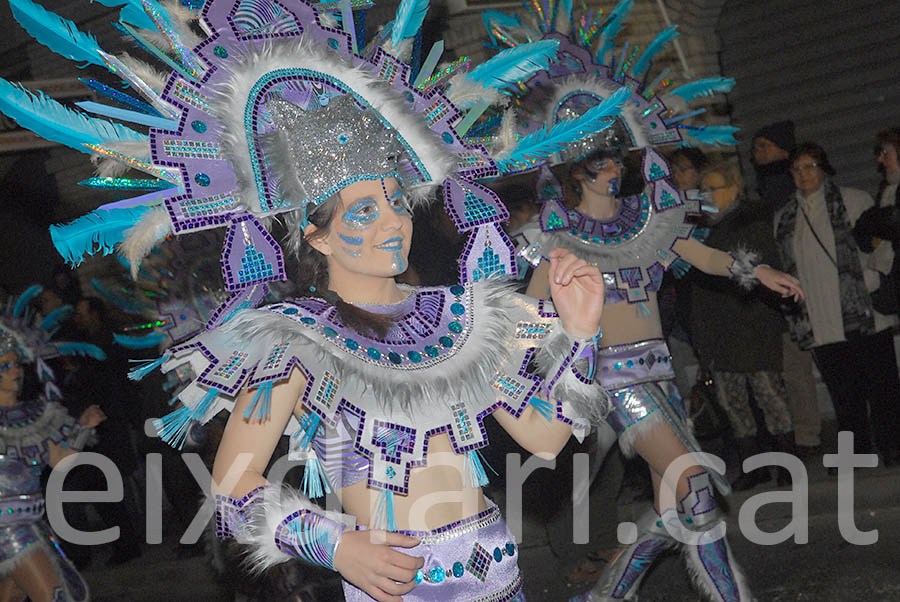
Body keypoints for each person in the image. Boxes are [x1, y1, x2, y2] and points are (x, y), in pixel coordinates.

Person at [3, 1, 631, 600]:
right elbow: (231, 487)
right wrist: (337, 547)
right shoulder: (293, 338)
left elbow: (546, 437)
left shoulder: (460, 315)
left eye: (395, 199)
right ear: (316, 234)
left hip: (501, 580)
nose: (394, 222)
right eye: (364, 210)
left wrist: (579, 334)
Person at [775, 142, 900, 466]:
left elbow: (880, 246)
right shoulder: (785, 216)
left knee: (881, 384)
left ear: (824, 168)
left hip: (863, 311)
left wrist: (873, 277)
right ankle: (856, 451)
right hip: (820, 316)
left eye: (810, 166)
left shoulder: (854, 200)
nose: (804, 175)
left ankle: (892, 444)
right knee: (844, 391)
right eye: (797, 169)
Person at [691, 161, 795, 489]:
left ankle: (787, 463)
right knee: (732, 402)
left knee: (769, 396)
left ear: (734, 188)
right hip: (718, 331)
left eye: (713, 189)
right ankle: (754, 466)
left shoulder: (751, 220)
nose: (705, 197)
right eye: (701, 190)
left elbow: (761, 270)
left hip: (752, 324)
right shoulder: (700, 231)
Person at [0, 285, 106, 602]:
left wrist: (84, 428)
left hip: (32, 525)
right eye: (5, 366)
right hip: (9, 533)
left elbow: (60, 461)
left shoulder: (33, 415)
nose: (15, 371)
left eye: (17, 363)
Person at [752, 121, 822, 457]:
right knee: (797, 371)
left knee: (802, 369)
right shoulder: (768, 188)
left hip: (799, 291)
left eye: (765, 146)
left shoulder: (781, 191)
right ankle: (808, 436)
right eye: (756, 147)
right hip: (784, 291)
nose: (757, 154)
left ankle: (810, 436)